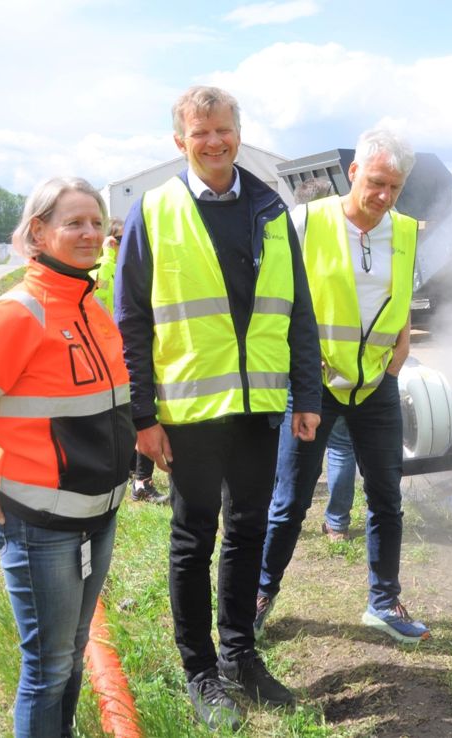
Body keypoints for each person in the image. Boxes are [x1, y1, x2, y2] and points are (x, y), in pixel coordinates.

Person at [114, 85, 323, 730]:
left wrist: (307, 396)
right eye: (199, 133)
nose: (214, 142)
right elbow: (132, 321)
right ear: (180, 142)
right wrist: (143, 420)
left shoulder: (270, 208)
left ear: (239, 132)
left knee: (248, 531)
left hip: (259, 407)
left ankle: (239, 656)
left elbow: (301, 312)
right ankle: (199, 670)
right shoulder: (156, 211)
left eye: (223, 129)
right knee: (193, 537)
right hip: (191, 410)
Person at [0, 177, 135, 738]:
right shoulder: (16, 314)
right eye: (74, 223)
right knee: (48, 668)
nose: (89, 233)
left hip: (99, 516)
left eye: (95, 221)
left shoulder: (89, 308)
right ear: (38, 232)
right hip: (42, 527)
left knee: (73, 650)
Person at [256, 127, 426, 644]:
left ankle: (383, 600)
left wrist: (399, 354)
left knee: (386, 499)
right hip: (314, 384)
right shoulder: (306, 222)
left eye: (394, 188)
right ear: (353, 172)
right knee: (290, 500)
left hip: (377, 384)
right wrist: (294, 376)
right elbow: (276, 300)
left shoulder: (405, 231)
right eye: (375, 182)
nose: (383, 196)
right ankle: (260, 596)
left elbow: (398, 297)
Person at [292, 178, 359, 543]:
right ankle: (337, 524)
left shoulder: (291, 242)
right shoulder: (342, 244)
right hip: (339, 364)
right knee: (341, 446)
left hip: (306, 365)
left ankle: (284, 518)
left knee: (294, 444)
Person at [93, 217, 167, 505]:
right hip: (110, 355)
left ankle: (140, 481)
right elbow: (98, 287)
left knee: (145, 413)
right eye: (120, 240)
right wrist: (109, 255)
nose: (127, 245)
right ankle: (135, 479)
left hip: (134, 350)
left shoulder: (140, 265)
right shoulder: (102, 269)